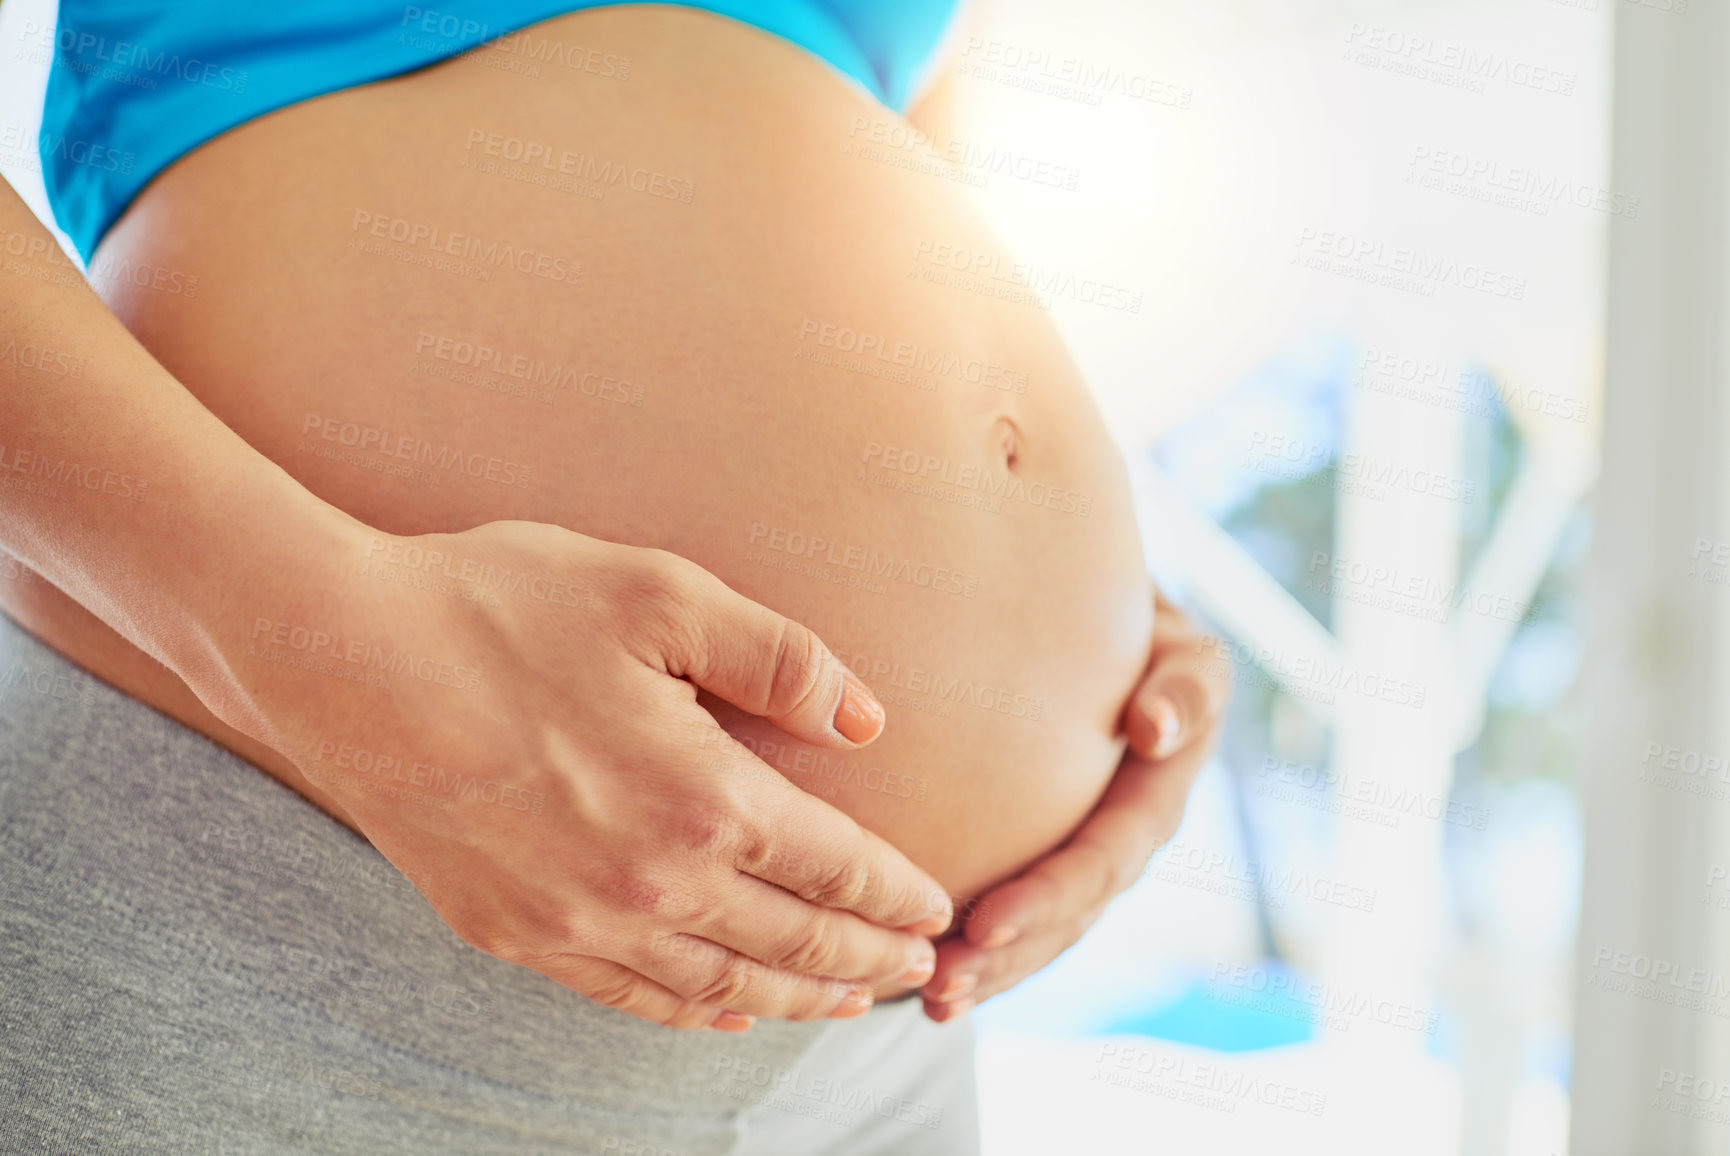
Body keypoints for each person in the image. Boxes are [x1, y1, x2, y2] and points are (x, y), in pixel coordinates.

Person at [0, 1, 1229, 1151]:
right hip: (277, 918)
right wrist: (320, 643)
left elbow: (890, 136)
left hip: (884, 1043)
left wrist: (1093, 638)